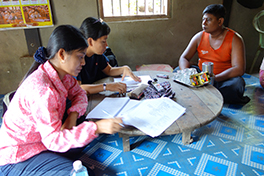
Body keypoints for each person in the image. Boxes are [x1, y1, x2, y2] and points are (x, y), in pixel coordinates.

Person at [0, 25, 123, 176]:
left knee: (79, 138)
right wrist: (96, 128)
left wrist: (72, 116)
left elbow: (80, 94)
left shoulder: (62, 76)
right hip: (19, 155)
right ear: (62, 54)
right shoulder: (43, 91)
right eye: (80, 56)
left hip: (43, 141)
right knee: (81, 172)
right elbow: (54, 141)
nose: (83, 62)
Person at [176, 4, 250, 104]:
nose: (204, 23)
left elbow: (239, 69)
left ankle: (202, 92)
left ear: (220, 21)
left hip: (223, 79)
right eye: (203, 19)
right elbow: (184, 58)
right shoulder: (199, 37)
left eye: (209, 20)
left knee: (236, 85)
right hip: (201, 76)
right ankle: (207, 91)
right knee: (177, 71)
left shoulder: (235, 39)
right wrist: (186, 74)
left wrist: (214, 78)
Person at [77, 17, 141, 95]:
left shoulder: (97, 54)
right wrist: (106, 87)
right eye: (103, 41)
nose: (106, 45)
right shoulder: (76, 58)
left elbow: (109, 70)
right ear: (90, 41)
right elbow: (78, 88)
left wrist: (124, 69)